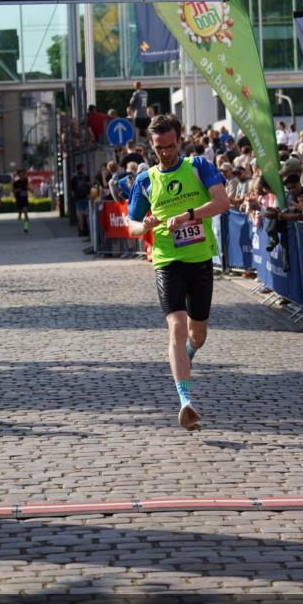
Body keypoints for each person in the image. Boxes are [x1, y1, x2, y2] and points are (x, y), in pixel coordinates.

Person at [127, 113, 230, 432]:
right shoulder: (145, 181)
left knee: (198, 335)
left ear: (180, 141)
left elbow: (222, 202)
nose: (166, 152)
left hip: (199, 260)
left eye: (171, 146)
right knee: (176, 326)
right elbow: (131, 226)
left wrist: (188, 215)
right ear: (151, 145)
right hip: (167, 260)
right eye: (159, 148)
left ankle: (186, 355)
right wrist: (143, 225)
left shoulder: (198, 167)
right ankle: (185, 401)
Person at [70, 164, 91, 236]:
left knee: (80, 214)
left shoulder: (74, 178)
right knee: (88, 213)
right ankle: (89, 229)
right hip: (85, 197)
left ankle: (81, 230)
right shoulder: (85, 176)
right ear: (82, 169)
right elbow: (89, 186)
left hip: (78, 198)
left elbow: (72, 190)